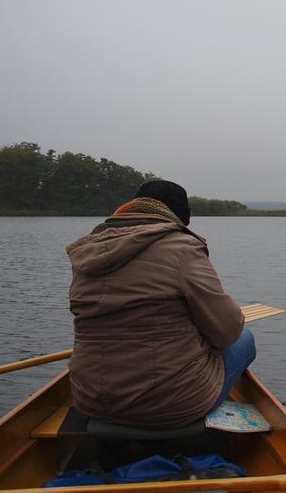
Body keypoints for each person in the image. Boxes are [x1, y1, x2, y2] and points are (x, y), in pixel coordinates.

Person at [66, 180, 255, 428]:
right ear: (179, 216)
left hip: (90, 399)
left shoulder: (89, 251)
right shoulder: (182, 248)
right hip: (171, 405)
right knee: (245, 339)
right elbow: (227, 330)